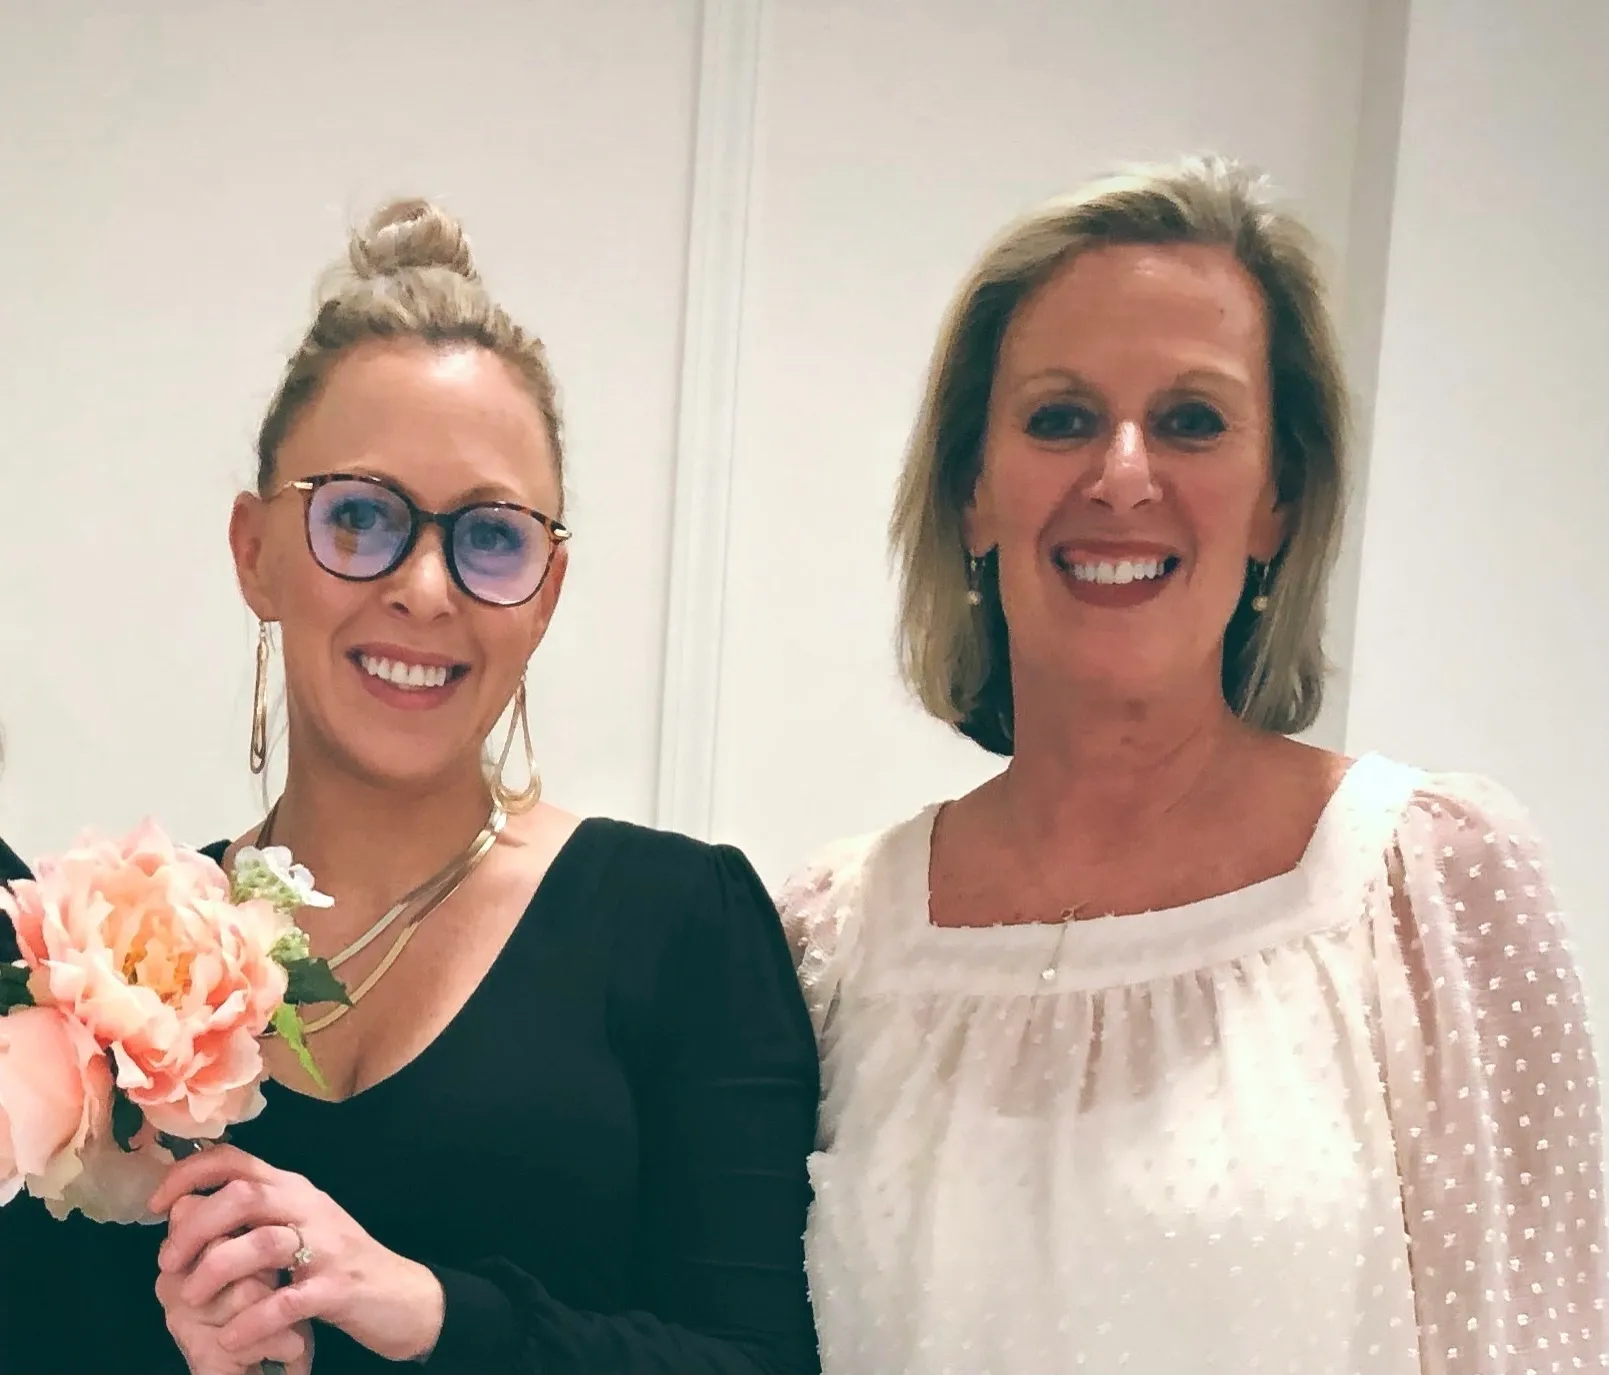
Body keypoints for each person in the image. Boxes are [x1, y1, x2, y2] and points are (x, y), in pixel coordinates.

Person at [778, 156, 1607, 1375]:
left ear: (1278, 500)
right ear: (971, 493)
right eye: (1059, 418)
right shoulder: (831, 944)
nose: (1121, 474)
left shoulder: (1423, 889)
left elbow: (1544, 1342)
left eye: (1193, 420)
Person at [0, 199, 820, 1375]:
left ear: (545, 590)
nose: (426, 587)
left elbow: (764, 1364)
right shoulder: (112, 969)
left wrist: (428, 1309)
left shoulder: (683, 924)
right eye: (361, 517)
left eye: (491, 537)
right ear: (255, 552)